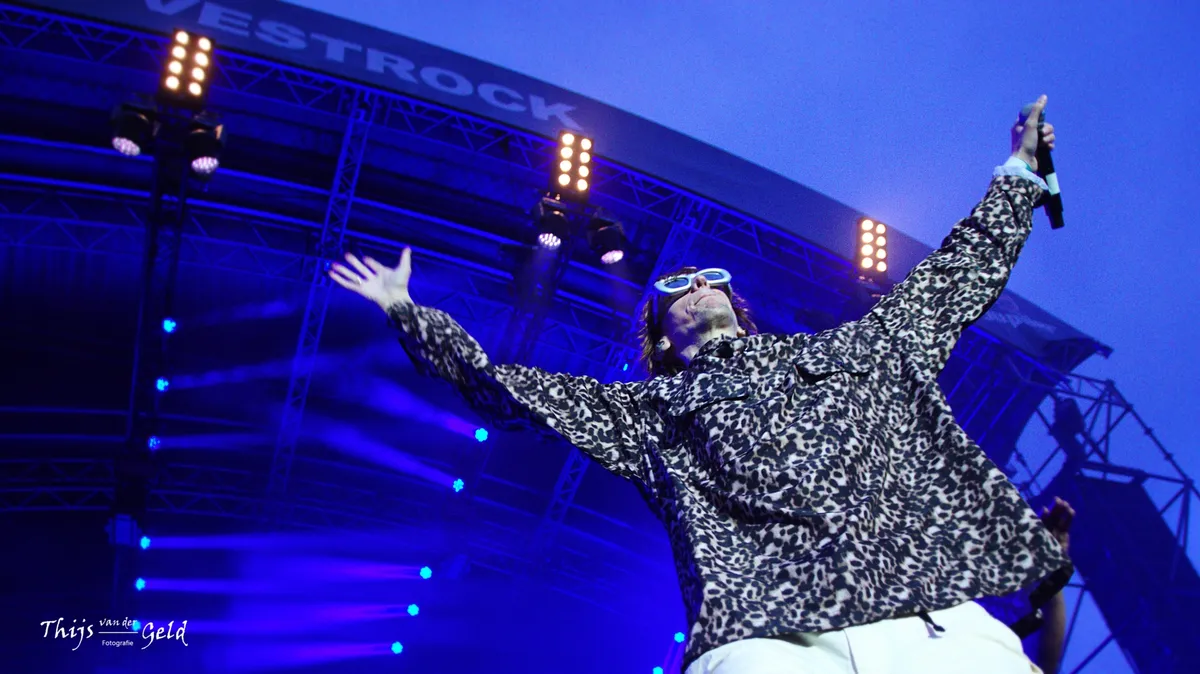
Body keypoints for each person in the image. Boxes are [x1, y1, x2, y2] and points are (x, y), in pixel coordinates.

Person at [330, 95, 1072, 674]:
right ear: (661, 338)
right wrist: (407, 311)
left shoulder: (858, 351)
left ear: (736, 305)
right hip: (766, 636)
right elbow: (505, 388)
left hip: (924, 616)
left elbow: (957, 274)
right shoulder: (650, 411)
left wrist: (1018, 172)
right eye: (673, 288)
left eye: (708, 278)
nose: (694, 287)